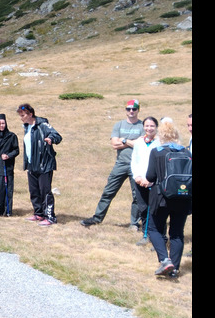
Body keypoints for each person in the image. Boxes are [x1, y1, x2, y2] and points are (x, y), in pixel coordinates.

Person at [81, 100, 144, 228]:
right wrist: (132, 142)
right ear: (125, 110)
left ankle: (134, 223)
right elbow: (114, 144)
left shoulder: (143, 126)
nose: (131, 111)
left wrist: (124, 140)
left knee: (137, 195)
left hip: (137, 166)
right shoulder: (119, 125)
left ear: (138, 110)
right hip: (120, 164)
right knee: (108, 192)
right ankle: (97, 218)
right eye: (128, 109)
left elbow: (141, 144)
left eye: (134, 109)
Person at [143, 120, 192, 278]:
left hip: (161, 196)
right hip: (183, 196)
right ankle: (175, 270)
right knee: (177, 233)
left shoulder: (157, 152)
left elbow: (150, 176)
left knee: (154, 229)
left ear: (161, 136)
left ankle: (165, 260)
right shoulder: (187, 153)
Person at [17, 103, 62, 226]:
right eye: (20, 115)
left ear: (30, 114)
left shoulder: (42, 125)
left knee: (45, 191)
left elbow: (57, 135)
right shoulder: (27, 127)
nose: (21, 117)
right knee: (34, 191)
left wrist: (51, 139)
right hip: (32, 164)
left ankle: (50, 217)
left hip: (44, 164)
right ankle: (39, 214)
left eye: (23, 115)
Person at [131, 117, 160, 244]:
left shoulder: (160, 143)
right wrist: (137, 176)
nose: (149, 128)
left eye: (152, 126)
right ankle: (145, 234)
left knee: (155, 209)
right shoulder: (139, 142)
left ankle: (158, 236)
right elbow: (134, 161)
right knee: (143, 208)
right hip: (139, 180)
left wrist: (151, 180)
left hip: (154, 182)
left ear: (156, 127)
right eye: (147, 126)